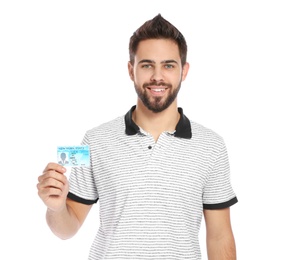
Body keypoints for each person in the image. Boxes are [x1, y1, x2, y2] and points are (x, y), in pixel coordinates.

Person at [37, 14, 238, 260]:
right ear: (131, 70)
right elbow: (67, 229)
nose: (157, 76)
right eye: (146, 65)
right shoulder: (95, 141)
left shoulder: (212, 146)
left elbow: (219, 236)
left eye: (168, 65)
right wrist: (55, 208)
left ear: (184, 71)